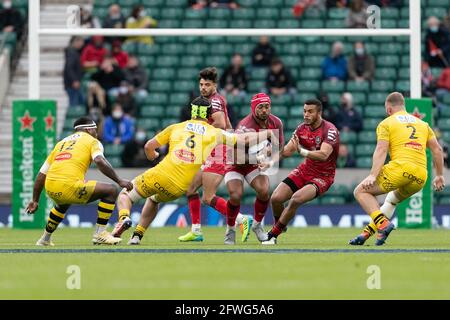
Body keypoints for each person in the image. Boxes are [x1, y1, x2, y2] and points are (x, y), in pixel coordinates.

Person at [111, 96, 271, 244]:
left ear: (191, 111)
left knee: (125, 195)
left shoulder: (176, 127)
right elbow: (244, 140)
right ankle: (136, 236)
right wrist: (268, 133)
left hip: (159, 174)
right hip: (178, 188)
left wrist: (152, 155)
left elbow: (148, 146)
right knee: (154, 199)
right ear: (209, 115)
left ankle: (124, 218)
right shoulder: (214, 133)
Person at [349, 92, 445, 246]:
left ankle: (384, 225)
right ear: (404, 107)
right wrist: (439, 175)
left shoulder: (387, 123)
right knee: (391, 201)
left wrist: (373, 175)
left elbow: (381, 150)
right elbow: (437, 150)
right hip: (420, 176)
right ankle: (366, 234)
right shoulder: (423, 124)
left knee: (361, 191)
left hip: (400, 168)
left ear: (388, 109)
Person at [25, 117, 133, 246]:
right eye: (95, 130)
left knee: (63, 204)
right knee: (111, 190)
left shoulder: (61, 144)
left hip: (51, 187)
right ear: (89, 129)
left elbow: (41, 174)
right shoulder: (92, 141)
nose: (97, 133)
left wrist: (35, 200)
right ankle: (100, 234)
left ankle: (44, 239)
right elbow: (99, 161)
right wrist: (119, 180)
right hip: (68, 185)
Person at [261, 99, 340, 244]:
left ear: (319, 113)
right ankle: (280, 225)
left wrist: (302, 151)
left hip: (323, 176)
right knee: (276, 198)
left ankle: (273, 234)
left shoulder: (330, 130)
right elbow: (287, 150)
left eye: (310, 112)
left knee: (296, 199)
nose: (306, 115)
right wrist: (271, 159)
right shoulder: (301, 129)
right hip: (305, 170)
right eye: (304, 111)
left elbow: (324, 155)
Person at [223, 93, 284, 244]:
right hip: (236, 163)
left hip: (253, 163)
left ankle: (257, 225)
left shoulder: (276, 122)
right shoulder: (245, 126)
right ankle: (230, 229)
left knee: (264, 191)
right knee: (235, 195)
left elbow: (279, 147)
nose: (264, 110)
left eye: (267, 106)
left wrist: (270, 155)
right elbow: (236, 156)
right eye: (260, 107)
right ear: (253, 108)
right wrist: (260, 155)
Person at [64, 36, 85, 107]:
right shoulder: (72, 52)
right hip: (72, 84)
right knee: (74, 105)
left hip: (72, 83)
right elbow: (69, 68)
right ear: (76, 41)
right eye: (81, 41)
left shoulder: (73, 52)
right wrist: (74, 80)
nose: (82, 44)